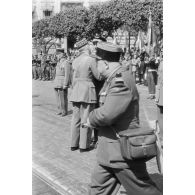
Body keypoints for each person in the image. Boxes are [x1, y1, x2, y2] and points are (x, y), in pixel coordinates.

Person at [83, 42, 161, 195]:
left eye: (96, 62)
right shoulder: (113, 78)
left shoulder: (121, 81)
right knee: (97, 189)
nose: (95, 67)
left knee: (144, 190)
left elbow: (108, 113)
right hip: (109, 151)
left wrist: (90, 118)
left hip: (122, 152)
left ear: (104, 63)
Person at [69, 38, 102, 152]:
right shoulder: (90, 60)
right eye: (89, 45)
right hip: (87, 90)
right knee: (86, 118)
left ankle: (74, 144)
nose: (91, 47)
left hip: (76, 90)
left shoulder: (75, 60)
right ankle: (84, 145)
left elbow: (73, 78)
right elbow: (98, 76)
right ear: (86, 47)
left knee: (75, 119)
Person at [53, 49, 71, 117]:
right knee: (57, 97)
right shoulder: (58, 62)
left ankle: (64, 111)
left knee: (63, 97)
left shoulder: (66, 62)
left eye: (57, 54)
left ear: (61, 54)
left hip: (62, 82)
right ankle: (59, 110)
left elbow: (67, 74)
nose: (56, 56)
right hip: (57, 81)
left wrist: (65, 84)